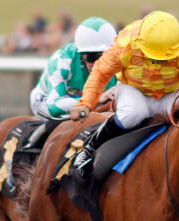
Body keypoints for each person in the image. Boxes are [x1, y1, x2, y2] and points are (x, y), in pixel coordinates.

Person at [70, 10, 179, 178]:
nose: (159, 62)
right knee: (132, 114)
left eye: (164, 59)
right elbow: (101, 73)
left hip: (171, 92)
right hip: (133, 88)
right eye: (155, 58)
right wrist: (85, 103)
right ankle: (90, 148)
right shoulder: (126, 43)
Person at [26, 17, 117, 149]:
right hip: (48, 103)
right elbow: (53, 106)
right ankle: (36, 145)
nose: (98, 64)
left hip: (89, 104)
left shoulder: (119, 62)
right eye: (91, 57)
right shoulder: (62, 61)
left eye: (104, 57)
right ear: (81, 55)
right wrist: (94, 100)